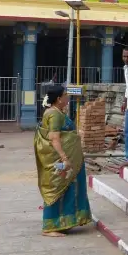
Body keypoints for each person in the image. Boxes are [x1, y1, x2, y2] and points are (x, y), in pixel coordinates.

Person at [33, 84, 91, 237]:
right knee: (57, 189)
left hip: (69, 157)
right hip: (60, 159)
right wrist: (65, 158)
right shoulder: (54, 114)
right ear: (59, 99)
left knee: (68, 189)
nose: (68, 97)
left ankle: (64, 222)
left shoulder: (57, 111)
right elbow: (54, 137)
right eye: (66, 95)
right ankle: (50, 227)